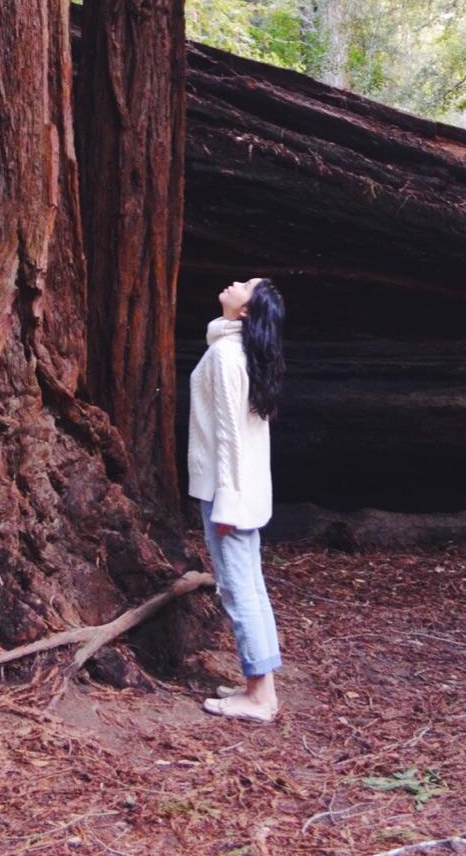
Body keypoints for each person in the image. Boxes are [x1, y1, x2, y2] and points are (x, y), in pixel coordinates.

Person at [187, 274, 286, 723]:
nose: (235, 281)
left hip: (228, 491)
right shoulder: (237, 349)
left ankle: (260, 697)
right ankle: (258, 683)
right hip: (241, 490)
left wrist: (226, 503)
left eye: (246, 284)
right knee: (249, 585)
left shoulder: (228, 355)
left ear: (246, 311)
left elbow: (228, 436)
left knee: (237, 587)